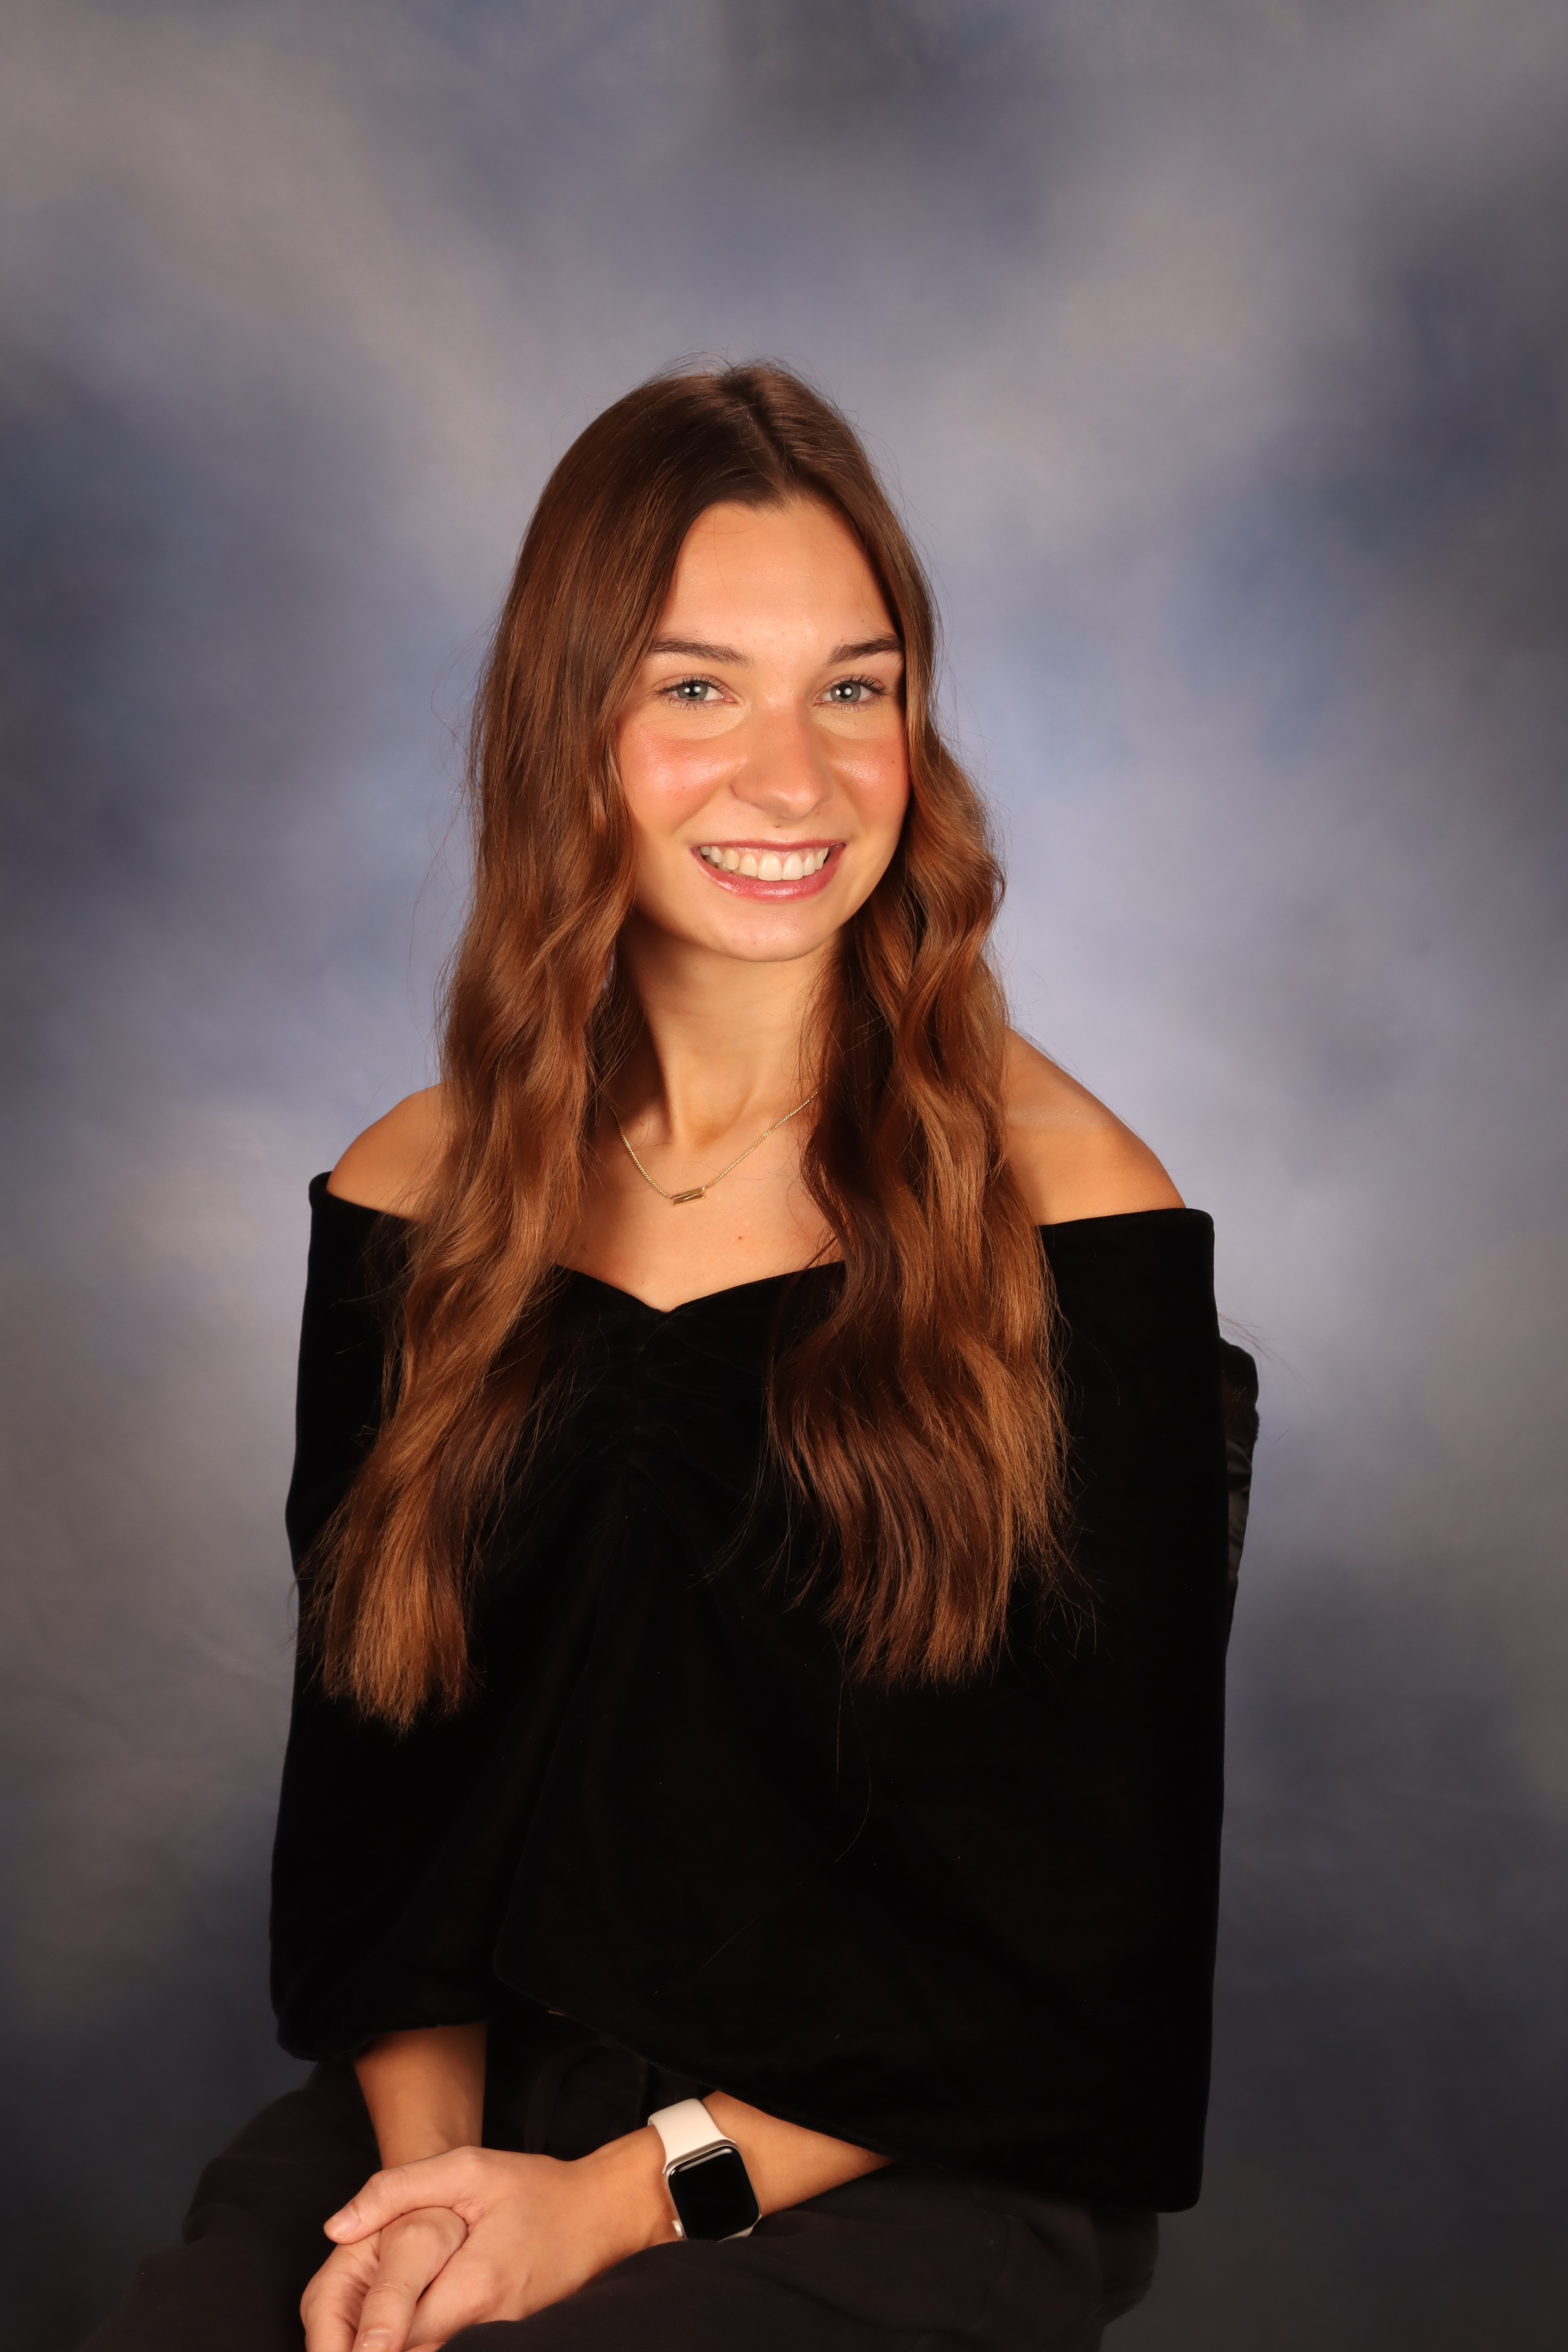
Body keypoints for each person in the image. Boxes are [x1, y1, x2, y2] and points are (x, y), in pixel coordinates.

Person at [85, 363, 1257, 2352]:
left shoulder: (1076, 1215)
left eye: (854, 690)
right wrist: (434, 2203)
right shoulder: (413, 1191)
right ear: (570, 727)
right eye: (698, 688)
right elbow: (383, 1843)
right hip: (484, 2107)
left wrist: (609, 2210)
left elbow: (1085, 1962)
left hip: (902, 2149)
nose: (795, 780)